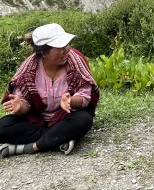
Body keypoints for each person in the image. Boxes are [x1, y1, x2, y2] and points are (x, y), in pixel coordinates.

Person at [0, 23, 99, 158]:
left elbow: (85, 95)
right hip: (38, 120)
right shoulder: (28, 70)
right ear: (43, 52)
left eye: (67, 45)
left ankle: (31, 147)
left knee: (83, 120)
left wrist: (71, 101)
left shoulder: (76, 62)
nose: (66, 50)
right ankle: (59, 137)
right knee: (3, 126)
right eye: (60, 48)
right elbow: (24, 102)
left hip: (67, 117)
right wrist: (21, 106)